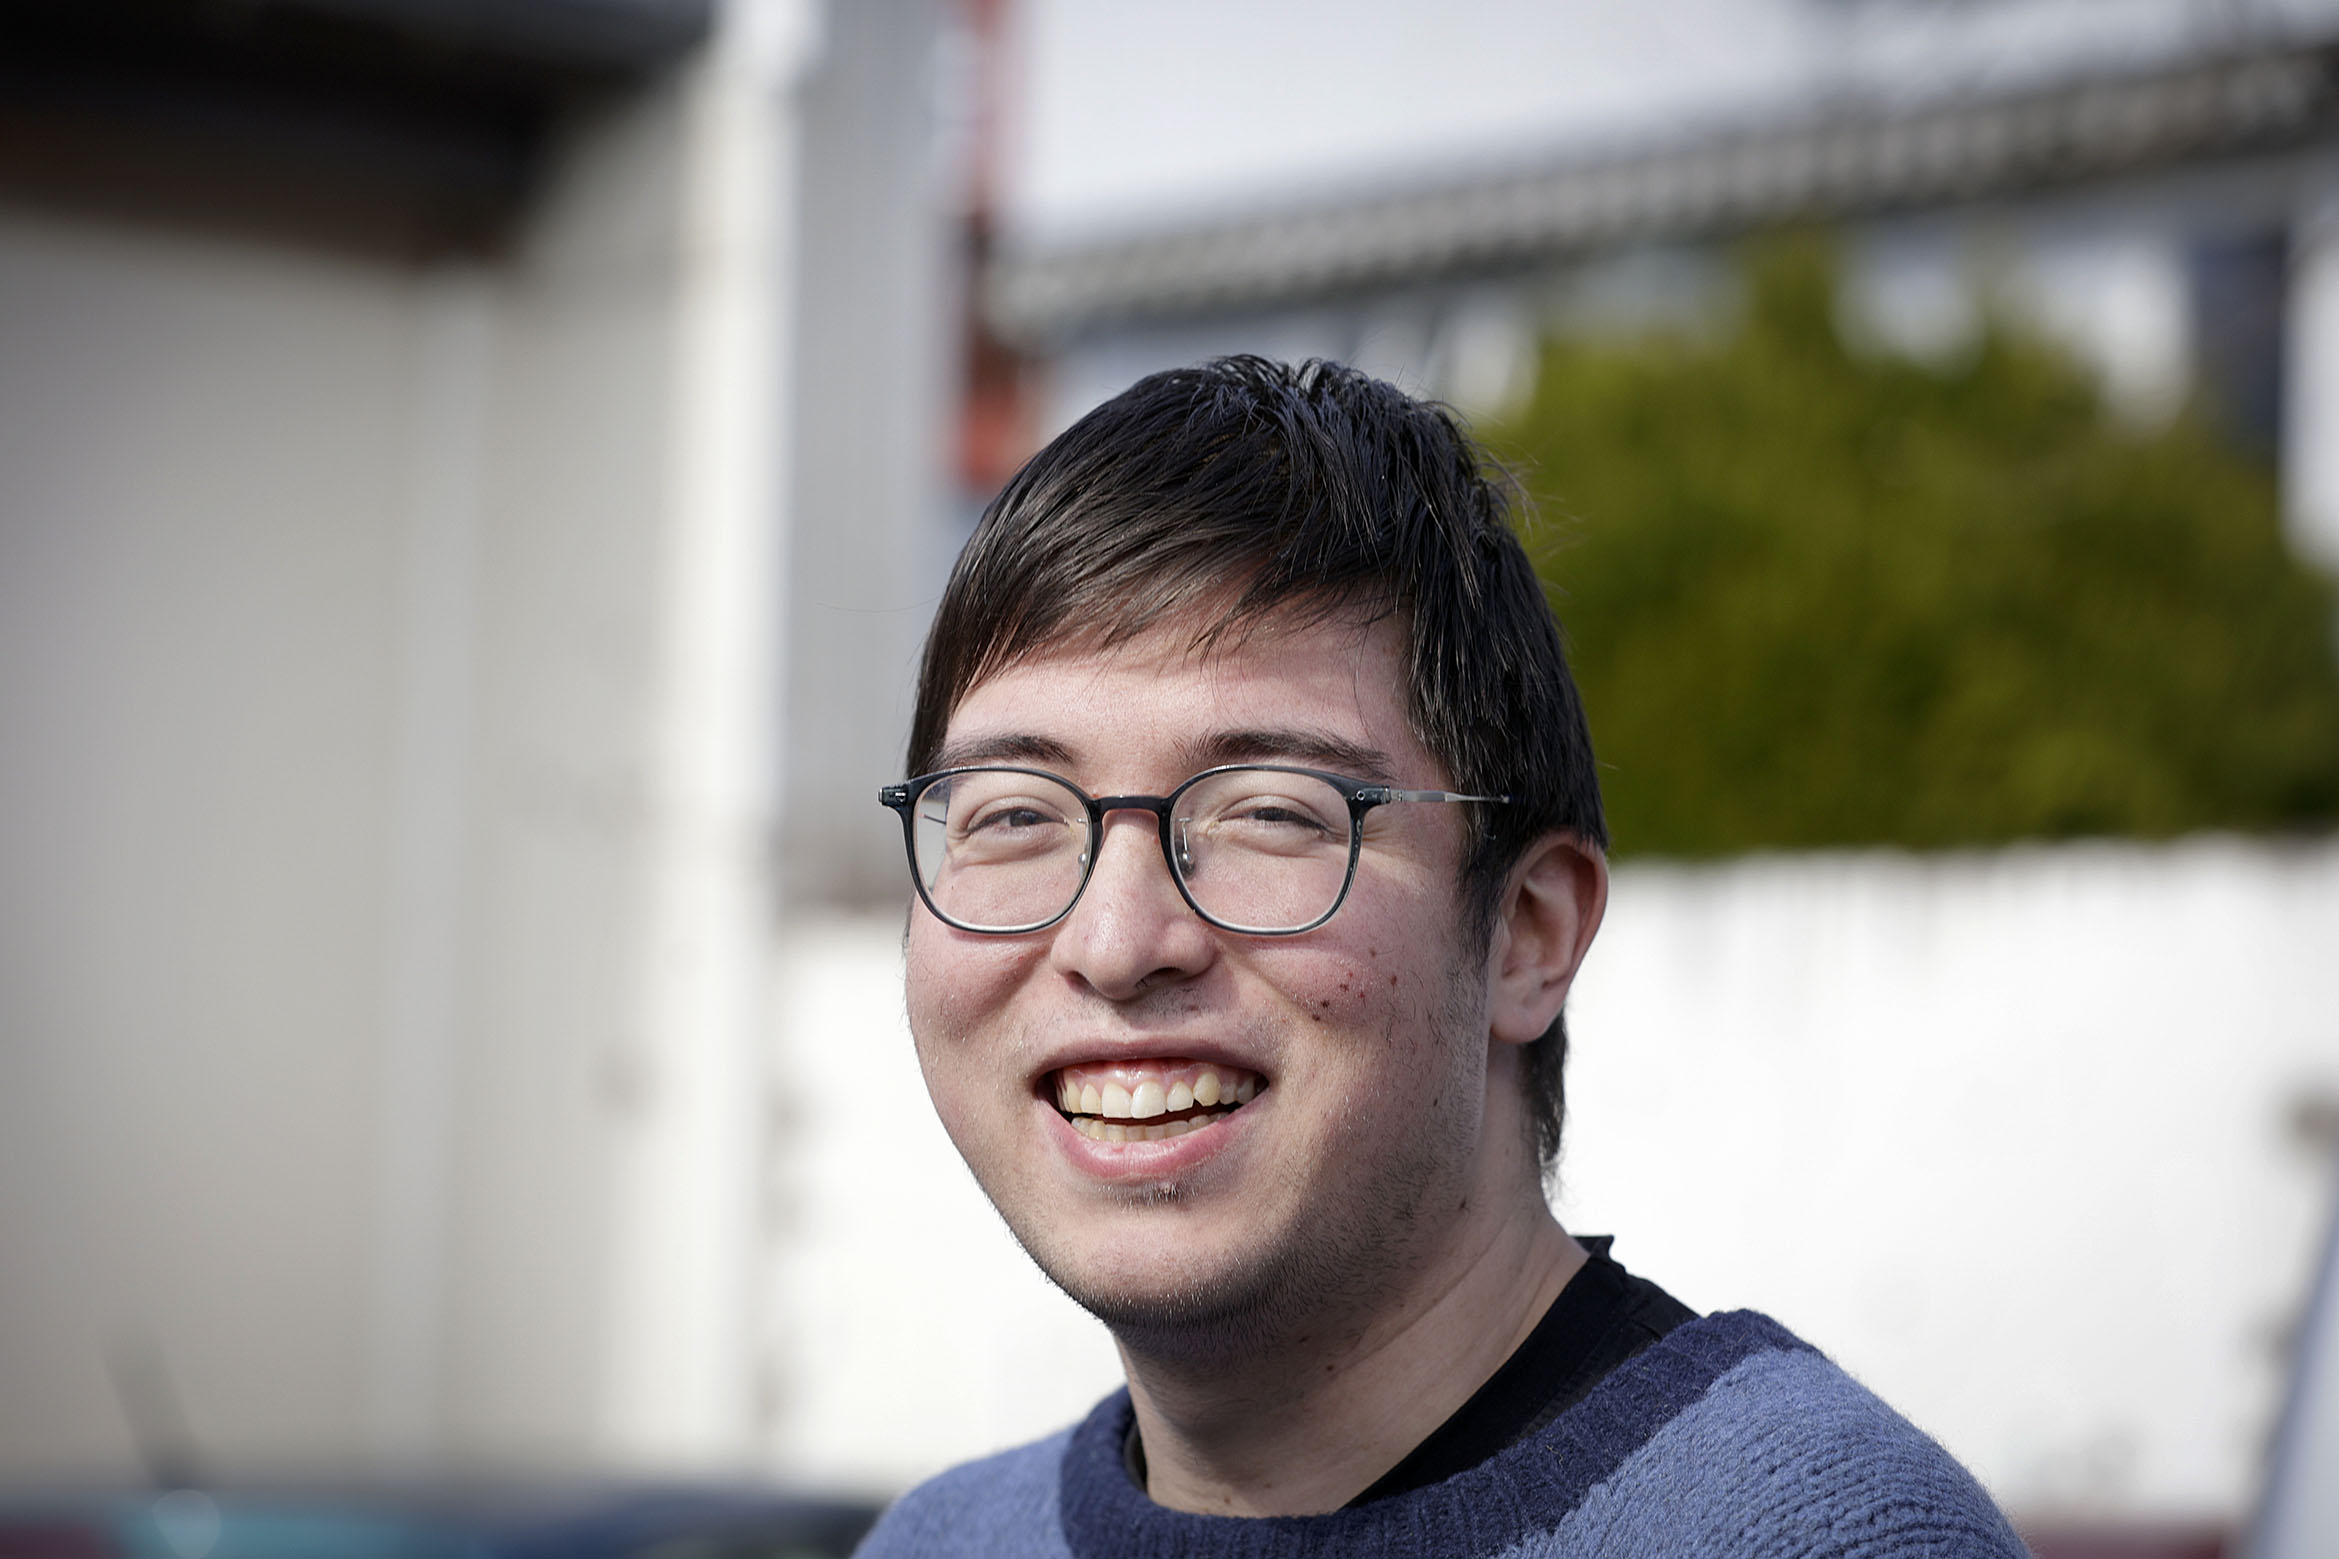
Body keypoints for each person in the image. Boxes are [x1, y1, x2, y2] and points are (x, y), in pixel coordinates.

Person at [857, 357, 2025, 1557]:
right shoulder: (940, 1543)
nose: (1113, 941)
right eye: (1011, 812)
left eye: (1269, 811)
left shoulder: (1808, 1537)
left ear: (1528, 932)